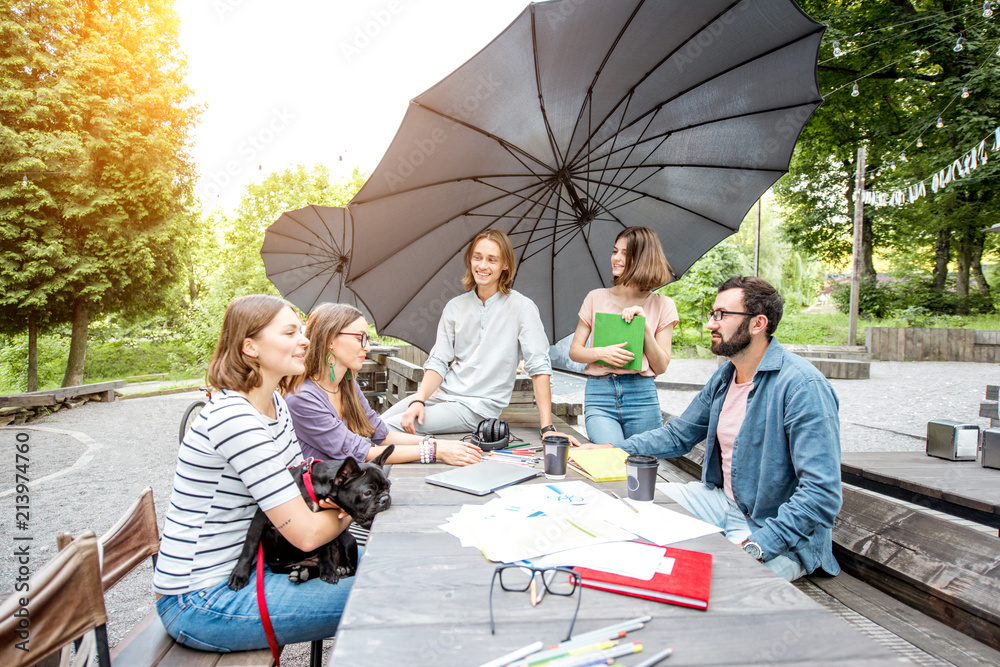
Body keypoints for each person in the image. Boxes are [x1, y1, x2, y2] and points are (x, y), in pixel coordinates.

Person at [580, 276, 842, 581]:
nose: (710, 324)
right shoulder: (727, 376)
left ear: (758, 324)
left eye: (722, 315)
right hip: (721, 502)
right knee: (621, 510)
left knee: (724, 585)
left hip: (772, 528)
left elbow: (822, 493)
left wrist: (757, 546)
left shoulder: (802, 387)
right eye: (712, 314)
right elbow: (678, 435)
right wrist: (612, 449)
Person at [153, 295, 355, 651]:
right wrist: (356, 508)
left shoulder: (274, 403)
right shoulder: (236, 419)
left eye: (301, 331)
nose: (305, 339)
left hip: (248, 574)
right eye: (290, 332)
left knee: (395, 568)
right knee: (390, 593)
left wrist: (331, 511)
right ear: (251, 347)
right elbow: (306, 534)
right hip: (202, 600)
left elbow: (304, 492)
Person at [381, 228, 578, 444]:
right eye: (477, 257)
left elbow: (539, 367)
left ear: (505, 265)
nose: (482, 266)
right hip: (443, 395)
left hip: (477, 408)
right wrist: (419, 400)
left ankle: (420, 456)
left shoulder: (523, 308)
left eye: (492, 260)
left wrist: (547, 427)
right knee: (375, 424)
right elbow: (438, 361)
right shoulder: (454, 307)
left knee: (389, 429)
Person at [285, 302, 484, 466]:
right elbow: (360, 453)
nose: (368, 347)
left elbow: (382, 434)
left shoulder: (347, 384)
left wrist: (440, 444)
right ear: (330, 339)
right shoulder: (302, 398)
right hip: (317, 501)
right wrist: (434, 451)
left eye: (368, 338)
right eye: (360, 338)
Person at [568, 227, 678, 445]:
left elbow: (661, 366)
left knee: (641, 465)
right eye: (615, 251)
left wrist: (644, 327)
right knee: (612, 457)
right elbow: (575, 351)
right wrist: (600, 353)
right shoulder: (595, 297)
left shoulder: (663, 304)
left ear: (644, 259)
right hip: (600, 394)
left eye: (625, 253)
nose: (616, 258)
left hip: (642, 396)